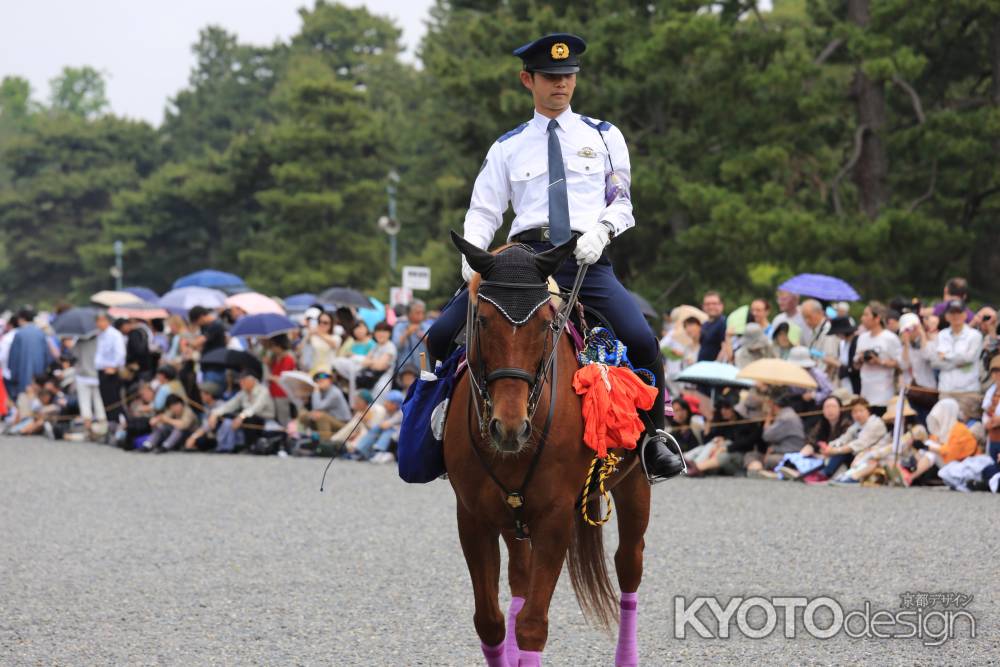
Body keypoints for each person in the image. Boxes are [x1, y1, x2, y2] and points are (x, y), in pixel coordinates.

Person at [424, 33, 684, 482]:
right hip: (522, 260)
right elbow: (484, 210)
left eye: (567, 76)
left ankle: (654, 439)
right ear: (529, 80)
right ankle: (442, 428)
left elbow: (621, 201)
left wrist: (602, 231)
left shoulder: (604, 136)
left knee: (642, 339)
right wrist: (473, 258)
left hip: (586, 256)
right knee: (442, 333)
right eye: (550, 77)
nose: (560, 84)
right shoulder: (507, 146)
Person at [903, 398, 977, 486]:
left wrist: (927, 447)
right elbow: (933, 442)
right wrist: (921, 445)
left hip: (960, 463)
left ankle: (911, 477)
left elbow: (950, 451)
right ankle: (909, 472)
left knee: (930, 451)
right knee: (926, 449)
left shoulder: (960, 429)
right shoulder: (942, 428)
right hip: (946, 461)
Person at [932, 300, 983, 418]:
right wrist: (958, 362)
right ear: (947, 316)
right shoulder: (942, 335)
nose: (956, 316)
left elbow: (968, 358)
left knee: (965, 426)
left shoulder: (974, 335)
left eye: (959, 313)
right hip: (946, 390)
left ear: (965, 314)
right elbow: (935, 362)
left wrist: (946, 356)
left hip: (967, 390)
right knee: (945, 424)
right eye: (952, 313)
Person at [818, 397, 889, 483]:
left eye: (861, 411)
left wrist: (835, 450)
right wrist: (829, 447)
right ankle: (825, 473)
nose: (858, 414)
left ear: (868, 411)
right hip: (860, 454)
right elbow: (844, 438)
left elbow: (860, 444)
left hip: (873, 456)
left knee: (841, 451)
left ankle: (830, 474)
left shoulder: (875, 423)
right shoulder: (856, 425)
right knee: (840, 449)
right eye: (854, 412)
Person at [853, 301, 902, 414]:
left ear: (877, 318)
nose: (862, 318)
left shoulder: (890, 338)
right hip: (865, 391)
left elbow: (899, 363)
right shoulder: (862, 338)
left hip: (883, 393)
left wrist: (879, 361)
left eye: (866, 315)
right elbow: (855, 365)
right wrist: (861, 358)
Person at [209, 370, 276, 453]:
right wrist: (215, 413)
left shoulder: (263, 391)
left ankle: (250, 446)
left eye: (243, 381)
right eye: (240, 381)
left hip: (264, 419)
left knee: (248, 418)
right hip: (248, 416)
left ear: (252, 381)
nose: (241, 383)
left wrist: (241, 416)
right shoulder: (243, 393)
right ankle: (224, 445)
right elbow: (229, 405)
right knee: (226, 417)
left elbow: (255, 408)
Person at [745, 391, 805, 476]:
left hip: (788, 455)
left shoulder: (785, 418)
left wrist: (767, 421)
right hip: (787, 451)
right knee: (753, 454)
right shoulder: (790, 414)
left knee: (761, 457)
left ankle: (759, 472)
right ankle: (759, 470)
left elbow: (767, 436)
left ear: (774, 405)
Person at [7, 310, 54, 400]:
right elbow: (47, 355)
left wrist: (13, 375)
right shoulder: (40, 333)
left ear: (22, 319)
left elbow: (13, 358)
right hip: (39, 375)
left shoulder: (19, 334)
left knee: (24, 398)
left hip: (22, 374)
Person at [297, 369, 352, 443]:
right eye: (318, 381)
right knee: (304, 416)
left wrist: (316, 391)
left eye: (323, 380)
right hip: (331, 419)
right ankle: (309, 439)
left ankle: (325, 443)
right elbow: (314, 409)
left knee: (321, 416)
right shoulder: (321, 391)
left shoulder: (335, 392)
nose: (320, 382)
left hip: (343, 423)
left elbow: (318, 407)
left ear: (330, 381)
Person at [352, 389, 405, 463]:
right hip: (390, 435)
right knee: (375, 429)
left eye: (387, 402)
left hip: (398, 438)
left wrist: (377, 426)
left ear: (395, 404)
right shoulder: (387, 412)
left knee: (386, 430)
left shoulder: (401, 413)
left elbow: (385, 425)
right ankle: (360, 450)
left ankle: (379, 451)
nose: (385, 403)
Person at [93, 312, 127, 423]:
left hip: (111, 371)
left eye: (102, 320)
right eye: (98, 321)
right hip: (101, 370)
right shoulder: (99, 335)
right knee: (105, 400)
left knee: (113, 400)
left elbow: (120, 353)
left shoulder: (115, 334)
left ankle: (117, 423)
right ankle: (110, 424)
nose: (99, 323)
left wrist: (114, 366)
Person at [72, 333, 106, 436]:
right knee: (99, 401)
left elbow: (74, 356)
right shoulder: (100, 340)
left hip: (82, 375)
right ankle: (103, 427)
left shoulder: (79, 341)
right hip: (96, 375)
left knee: (84, 403)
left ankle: (88, 429)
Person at [802, 299, 840, 379]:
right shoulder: (814, 330)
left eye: (809, 317)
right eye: (804, 317)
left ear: (820, 313)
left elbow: (830, 361)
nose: (806, 321)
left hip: (824, 380)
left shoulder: (828, 331)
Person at [392, 300, 431, 374]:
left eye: (422, 312)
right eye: (417, 313)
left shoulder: (427, 327)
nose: (421, 315)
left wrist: (424, 338)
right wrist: (407, 333)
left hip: (423, 365)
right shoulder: (399, 326)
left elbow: (434, 348)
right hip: (405, 367)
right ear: (408, 313)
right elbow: (395, 347)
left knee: (422, 384)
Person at [265, 334, 296, 424]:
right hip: (273, 392)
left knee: (283, 420)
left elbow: (284, 378)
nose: (272, 349)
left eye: (273, 346)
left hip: (282, 394)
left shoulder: (288, 359)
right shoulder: (275, 358)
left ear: (280, 345)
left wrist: (271, 377)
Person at [697, 292, 727, 362]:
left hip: (714, 369)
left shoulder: (723, 322)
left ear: (721, 305)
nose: (711, 307)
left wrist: (716, 365)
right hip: (702, 366)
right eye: (707, 304)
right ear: (703, 307)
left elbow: (725, 347)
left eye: (714, 304)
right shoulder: (704, 324)